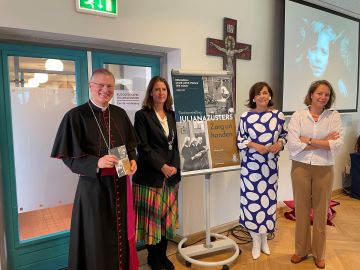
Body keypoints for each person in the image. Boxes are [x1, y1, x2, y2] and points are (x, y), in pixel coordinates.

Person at [50, 68, 139, 270]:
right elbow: (67, 156)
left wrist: (133, 160)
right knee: (96, 238)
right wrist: (96, 163)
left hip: (120, 185)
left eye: (109, 86)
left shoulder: (120, 113)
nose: (105, 89)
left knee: (121, 234)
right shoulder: (75, 116)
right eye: (100, 85)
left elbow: (131, 145)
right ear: (90, 86)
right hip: (93, 189)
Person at [287, 80, 343, 269]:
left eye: (327, 94)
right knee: (301, 211)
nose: (323, 97)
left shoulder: (334, 117)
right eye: (320, 93)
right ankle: (301, 250)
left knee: (321, 213)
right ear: (311, 94)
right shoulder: (298, 116)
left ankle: (319, 254)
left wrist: (309, 140)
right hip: (300, 167)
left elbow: (337, 145)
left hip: (324, 168)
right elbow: (294, 145)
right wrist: (322, 141)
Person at [132, 76, 181, 270]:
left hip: (170, 178)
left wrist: (174, 166)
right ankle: (153, 258)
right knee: (151, 222)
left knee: (165, 221)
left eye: (164, 89)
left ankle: (163, 255)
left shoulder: (172, 115)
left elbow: (177, 145)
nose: (161, 93)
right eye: (157, 89)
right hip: (150, 177)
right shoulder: (142, 115)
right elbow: (142, 147)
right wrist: (162, 166)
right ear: (150, 93)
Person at [236, 82, 287, 260]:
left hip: (270, 168)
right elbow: (240, 139)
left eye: (265, 93)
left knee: (267, 204)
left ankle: (264, 239)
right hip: (251, 169)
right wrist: (254, 145)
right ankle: (255, 241)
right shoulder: (245, 117)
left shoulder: (278, 116)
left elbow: (284, 136)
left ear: (270, 95)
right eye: (258, 94)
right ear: (253, 97)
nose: (262, 96)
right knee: (252, 204)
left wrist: (278, 144)